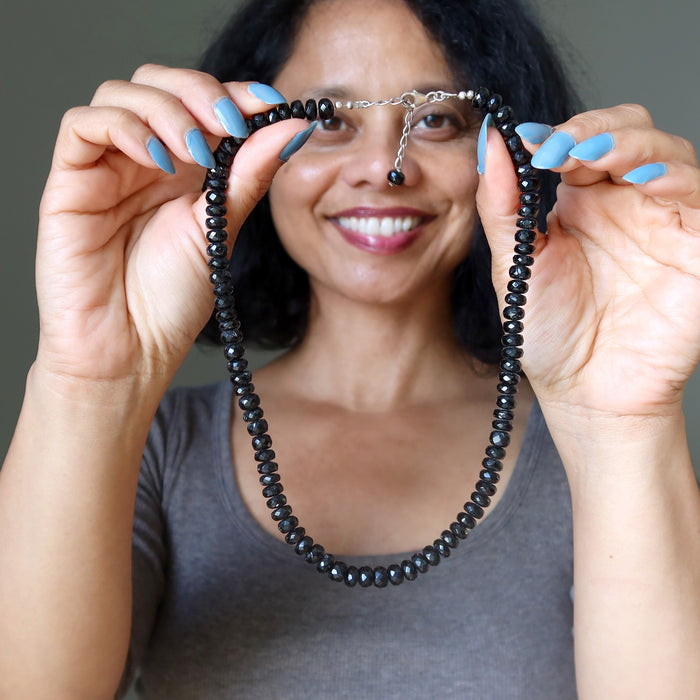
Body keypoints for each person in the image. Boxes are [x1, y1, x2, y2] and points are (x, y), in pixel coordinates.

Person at [1, 0, 699, 697]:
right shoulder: (157, 451)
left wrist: (623, 424)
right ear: (241, 148)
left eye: (434, 120)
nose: (381, 169)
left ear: (506, 150)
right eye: (328, 120)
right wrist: (90, 380)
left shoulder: (581, 453)